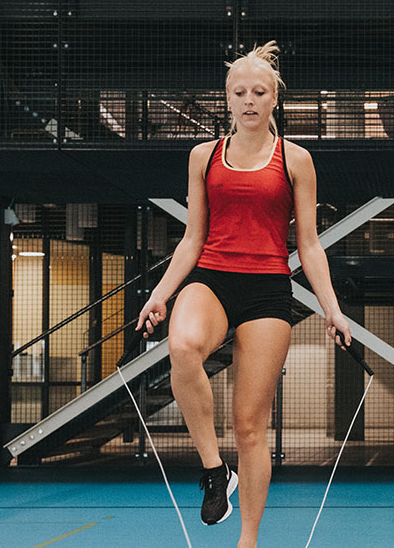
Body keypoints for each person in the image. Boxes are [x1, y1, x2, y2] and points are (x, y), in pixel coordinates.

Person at [136, 41, 352, 548]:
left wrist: (333, 310)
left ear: (275, 98)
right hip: (211, 276)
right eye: (240, 92)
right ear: (227, 99)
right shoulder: (203, 156)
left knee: (250, 424)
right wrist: (161, 294)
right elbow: (191, 238)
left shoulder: (295, 159)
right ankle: (215, 471)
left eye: (260, 91)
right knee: (182, 346)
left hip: (268, 290)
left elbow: (310, 245)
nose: (249, 99)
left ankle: (248, 539)